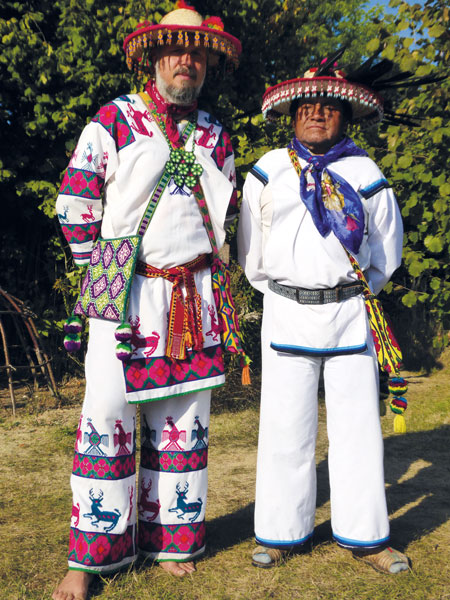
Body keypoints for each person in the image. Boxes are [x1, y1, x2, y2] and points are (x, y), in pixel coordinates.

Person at [53, 3, 241, 599]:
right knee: (105, 413)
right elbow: (76, 204)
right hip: (119, 282)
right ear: (153, 57)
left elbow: (226, 216)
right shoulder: (112, 122)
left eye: (198, 53)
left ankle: (172, 541)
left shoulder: (216, 135)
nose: (188, 62)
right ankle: (90, 556)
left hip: (194, 290)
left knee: (183, 414)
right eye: (176, 51)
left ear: (207, 63)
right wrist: (102, 273)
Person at [238, 55, 412, 574]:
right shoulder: (267, 171)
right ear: (292, 113)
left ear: (346, 115)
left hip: (349, 316)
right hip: (286, 313)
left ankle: (366, 537)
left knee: (358, 429)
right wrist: (286, 292)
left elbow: (386, 254)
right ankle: (281, 533)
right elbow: (251, 252)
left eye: (329, 107)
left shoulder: (366, 173)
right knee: (285, 429)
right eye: (307, 106)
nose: (317, 114)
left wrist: (347, 292)